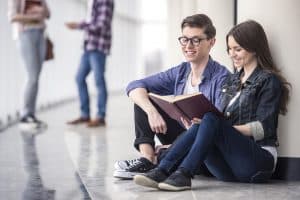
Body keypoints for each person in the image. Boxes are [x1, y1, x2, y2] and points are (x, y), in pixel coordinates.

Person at [133, 20, 291, 191]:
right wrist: (202, 127)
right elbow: (217, 119)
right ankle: (162, 170)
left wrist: (226, 129)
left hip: (258, 164)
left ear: (254, 48)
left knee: (210, 119)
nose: (232, 54)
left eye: (238, 49)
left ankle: (181, 173)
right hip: (228, 170)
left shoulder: (268, 81)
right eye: (229, 49)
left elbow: (264, 128)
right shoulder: (232, 81)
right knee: (205, 120)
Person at [113, 14, 229, 179]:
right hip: (180, 134)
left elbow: (219, 125)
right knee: (144, 100)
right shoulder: (181, 72)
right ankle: (147, 159)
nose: (188, 45)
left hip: (202, 145)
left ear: (211, 42)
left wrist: (177, 144)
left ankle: (163, 157)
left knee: (170, 154)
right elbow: (134, 85)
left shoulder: (222, 77)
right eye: (184, 39)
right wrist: (152, 112)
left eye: (196, 40)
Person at [65, 0, 114, 127]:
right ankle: (85, 115)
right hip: (89, 46)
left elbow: (101, 25)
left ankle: (100, 116)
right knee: (79, 78)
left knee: (99, 80)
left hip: (98, 46)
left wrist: (78, 25)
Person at [8, 0, 50, 130]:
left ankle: (31, 114)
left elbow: (48, 14)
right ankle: (25, 114)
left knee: (36, 77)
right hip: (25, 34)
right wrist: (32, 17)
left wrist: (43, 12)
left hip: (40, 34)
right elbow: (12, 16)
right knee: (32, 76)